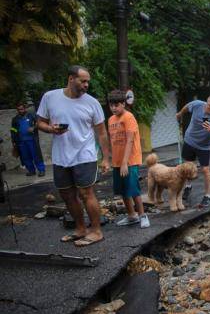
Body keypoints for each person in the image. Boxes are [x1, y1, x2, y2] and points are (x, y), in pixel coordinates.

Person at [37, 65, 110, 247]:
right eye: (83, 81)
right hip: (60, 156)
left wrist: (106, 158)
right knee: (67, 195)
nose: (86, 85)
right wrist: (50, 129)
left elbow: (102, 132)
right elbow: (40, 122)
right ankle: (80, 229)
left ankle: (96, 231)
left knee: (86, 193)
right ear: (71, 79)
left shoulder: (92, 102)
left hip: (84, 155)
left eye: (87, 82)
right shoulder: (50, 97)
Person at [107, 90, 149, 228]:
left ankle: (143, 215)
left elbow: (130, 141)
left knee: (133, 189)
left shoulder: (128, 117)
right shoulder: (111, 120)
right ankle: (132, 216)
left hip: (129, 161)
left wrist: (125, 163)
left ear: (123, 104)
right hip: (117, 161)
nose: (113, 108)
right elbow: (112, 141)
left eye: (116, 105)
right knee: (123, 190)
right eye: (111, 105)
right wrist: (108, 160)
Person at [176, 95, 210, 208]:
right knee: (188, 166)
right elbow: (187, 107)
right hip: (189, 140)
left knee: (205, 170)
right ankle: (188, 186)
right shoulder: (197, 104)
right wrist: (180, 114)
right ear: (206, 102)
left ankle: (207, 195)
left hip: (203, 146)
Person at [10, 102, 46, 176]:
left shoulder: (31, 116)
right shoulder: (15, 119)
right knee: (25, 157)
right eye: (19, 109)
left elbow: (39, 123)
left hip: (32, 140)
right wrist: (13, 141)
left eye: (22, 109)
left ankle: (41, 170)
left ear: (25, 108)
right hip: (21, 141)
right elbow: (13, 130)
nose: (21, 111)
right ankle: (31, 171)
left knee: (36, 156)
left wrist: (33, 127)